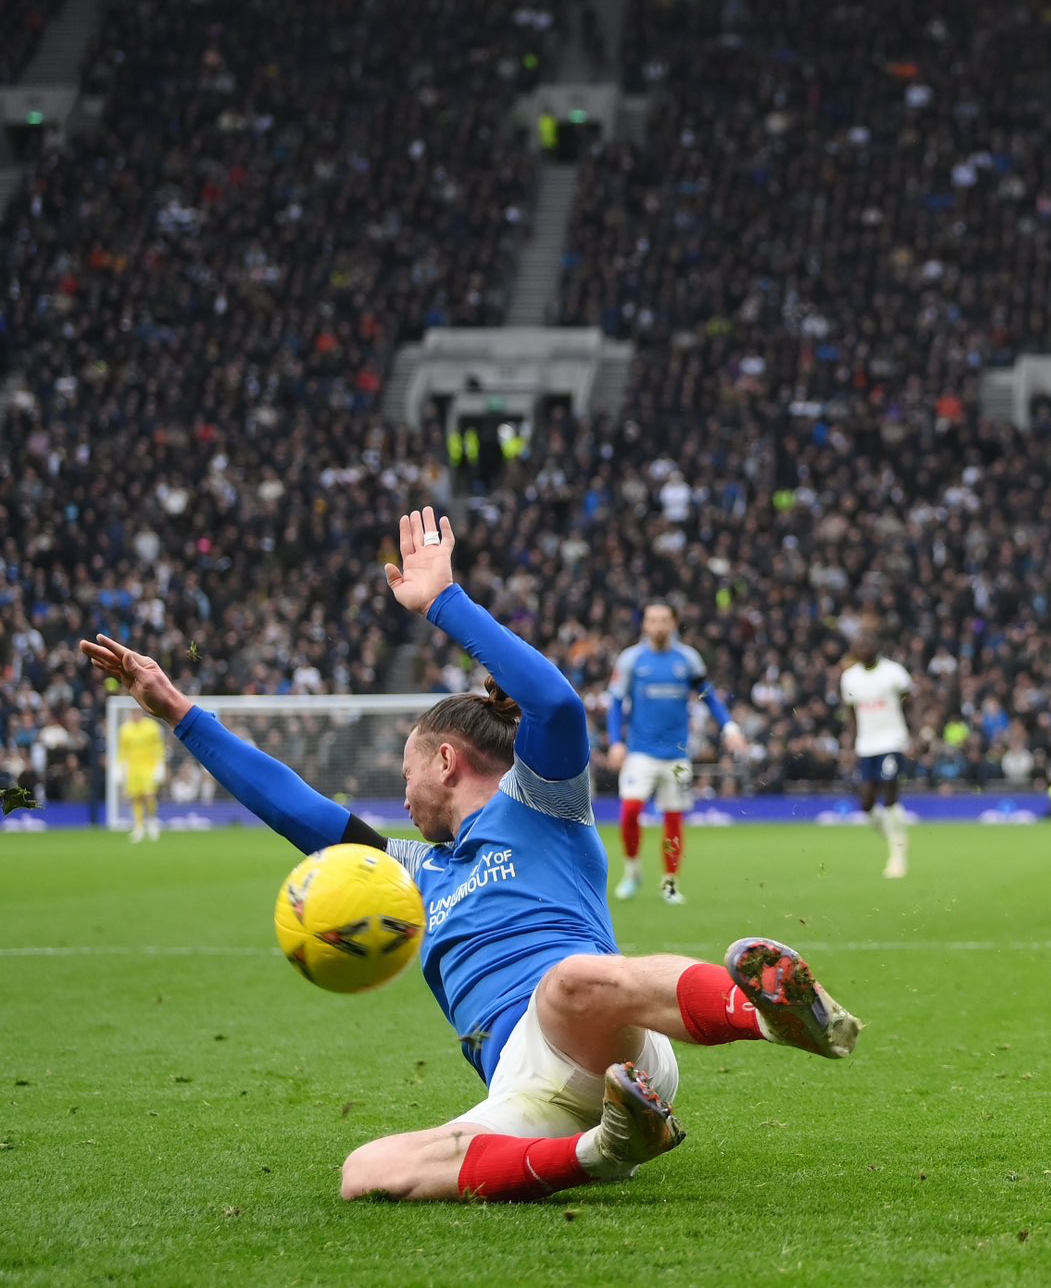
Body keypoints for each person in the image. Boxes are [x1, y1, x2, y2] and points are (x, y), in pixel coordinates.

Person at [81, 506, 862, 1202]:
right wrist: (179, 711)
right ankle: (604, 1148)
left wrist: (444, 604)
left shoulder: (543, 803)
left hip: (599, 1031)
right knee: (368, 1173)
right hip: (529, 1085)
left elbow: (554, 702)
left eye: (409, 769)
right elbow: (294, 807)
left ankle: (770, 1019)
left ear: (448, 761)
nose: (403, 789)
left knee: (570, 979)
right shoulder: (410, 872)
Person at [606, 601, 746, 905]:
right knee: (630, 812)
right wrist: (616, 741)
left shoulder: (687, 660)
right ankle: (632, 871)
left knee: (673, 819)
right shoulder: (631, 660)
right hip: (640, 752)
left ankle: (669, 883)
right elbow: (616, 703)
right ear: (644, 624)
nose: (657, 625)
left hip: (678, 755)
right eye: (652, 620)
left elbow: (708, 695)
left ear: (673, 623)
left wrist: (729, 726)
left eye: (663, 620)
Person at [840, 632, 914, 879]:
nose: (862, 648)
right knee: (867, 805)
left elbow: (910, 702)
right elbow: (851, 714)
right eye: (858, 644)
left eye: (867, 643)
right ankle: (897, 838)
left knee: (890, 793)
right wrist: (850, 746)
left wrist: (913, 734)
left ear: (877, 646)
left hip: (892, 740)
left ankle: (897, 856)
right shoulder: (849, 678)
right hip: (866, 745)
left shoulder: (894, 673)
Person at [117, 709, 166, 842]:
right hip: (133, 769)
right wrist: (120, 767)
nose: (135, 715)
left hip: (148, 767)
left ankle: (152, 822)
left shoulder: (152, 728)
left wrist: (160, 765)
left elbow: (159, 747)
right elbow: (123, 750)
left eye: (137, 712)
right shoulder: (125, 730)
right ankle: (139, 827)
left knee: (149, 795)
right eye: (133, 713)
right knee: (135, 798)